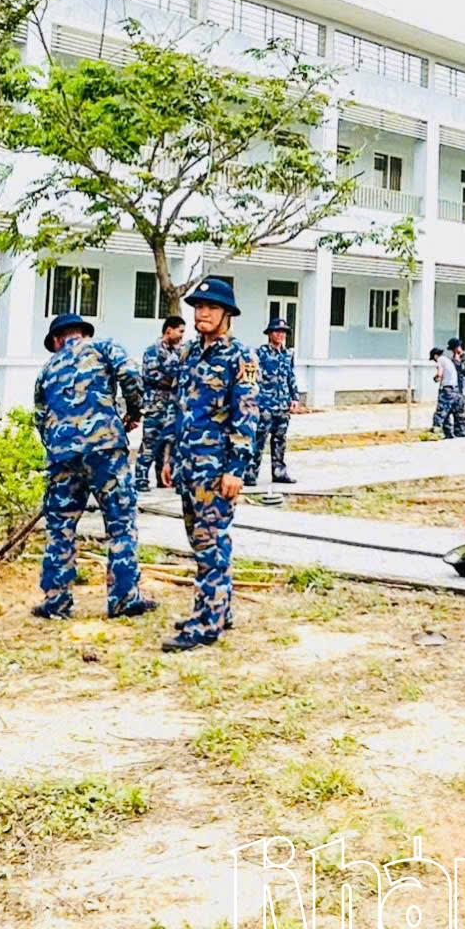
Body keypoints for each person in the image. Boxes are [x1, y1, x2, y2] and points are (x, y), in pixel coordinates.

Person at [33, 313, 150, 621]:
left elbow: (40, 418)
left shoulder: (48, 368)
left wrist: (59, 446)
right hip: (105, 450)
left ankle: (55, 602)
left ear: (57, 339)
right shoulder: (104, 347)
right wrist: (134, 412)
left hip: (62, 458)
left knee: (60, 528)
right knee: (120, 523)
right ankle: (124, 598)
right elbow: (131, 376)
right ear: (83, 333)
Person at [164, 275, 259, 652]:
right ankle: (218, 608)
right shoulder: (189, 354)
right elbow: (180, 409)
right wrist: (170, 457)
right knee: (199, 541)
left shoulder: (241, 357)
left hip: (217, 469)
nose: (203, 313)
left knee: (211, 543)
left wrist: (237, 468)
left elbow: (247, 416)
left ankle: (208, 623)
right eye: (198, 307)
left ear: (227, 314)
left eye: (211, 307)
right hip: (189, 466)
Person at [250, 314, 303, 486]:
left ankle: (279, 472)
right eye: (277, 332)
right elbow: (254, 377)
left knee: (280, 439)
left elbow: (290, 377)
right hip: (265, 405)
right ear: (270, 334)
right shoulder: (261, 353)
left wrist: (295, 397)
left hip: (282, 404)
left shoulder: (288, 354)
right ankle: (250, 473)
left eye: (283, 332)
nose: (280, 335)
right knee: (259, 439)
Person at [141, 314, 185, 490]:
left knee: (167, 442)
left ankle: (162, 478)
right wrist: (172, 379)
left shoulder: (177, 352)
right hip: (155, 405)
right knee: (150, 443)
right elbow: (152, 376)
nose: (182, 335)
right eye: (180, 331)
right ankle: (141, 479)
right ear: (169, 330)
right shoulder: (153, 350)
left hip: (171, 405)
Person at [431, 343, 463, 438]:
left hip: (447, 389)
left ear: (435, 355)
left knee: (440, 412)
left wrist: (436, 378)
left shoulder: (440, 360)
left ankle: (436, 433)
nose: (434, 361)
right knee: (448, 412)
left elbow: (440, 372)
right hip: (455, 389)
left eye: (433, 359)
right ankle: (449, 433)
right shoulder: (447, 360)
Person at [447, 334, 465, 437]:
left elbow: (464, 370)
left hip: (462, 388)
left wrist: (458, 361)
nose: (453, 351)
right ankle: (456, 431)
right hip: (453, 387)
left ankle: (462, 431)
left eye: (454, 349)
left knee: (460, 411)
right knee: (453, 410)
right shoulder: (452, 358)